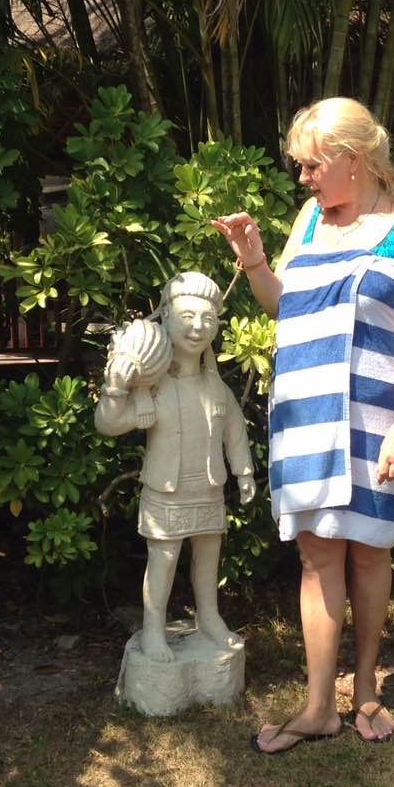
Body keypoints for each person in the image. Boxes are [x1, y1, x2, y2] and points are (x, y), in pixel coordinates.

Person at [211, 97, 394, 752]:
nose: (304, 178)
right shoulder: (310, 220)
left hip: (374, 420)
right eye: (302, 167)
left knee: (369, 552)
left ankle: (365, 688)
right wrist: (255, 261)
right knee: (317, 557)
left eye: (313, 165)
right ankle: (318, 706)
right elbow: (283, 304)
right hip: (307, 416)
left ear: (355, 158)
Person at [95, 272, 256, 662]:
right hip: (166, 490)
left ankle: (209, 617)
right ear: (166, 317)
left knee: (208, 555)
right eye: (187, 317)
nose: (198, 327)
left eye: (207, 319)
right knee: (163, 560)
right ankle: (154, 628)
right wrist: (116, 388)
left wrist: (244, 472)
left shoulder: (216, 388)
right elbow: (109, 424)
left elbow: (234, 430)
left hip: (208, 487)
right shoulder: (150, 387)